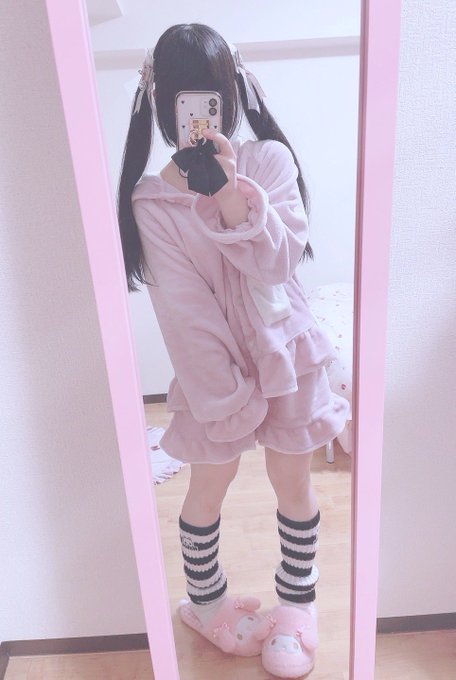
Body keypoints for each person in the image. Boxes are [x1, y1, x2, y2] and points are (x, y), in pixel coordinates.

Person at [117, 22, 350, 679]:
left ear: (231, 94)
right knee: (209, 485)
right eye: (187, 100)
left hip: (288, 352)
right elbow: (184, 312)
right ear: (164, 105)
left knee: (293, 482)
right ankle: (206, 603)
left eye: (210, 97)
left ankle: (297, 606)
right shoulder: (150, 201)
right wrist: (226, 401)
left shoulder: (269, 161)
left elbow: (277, 263)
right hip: (210, 372)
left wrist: (226, 193)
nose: (200, 114)